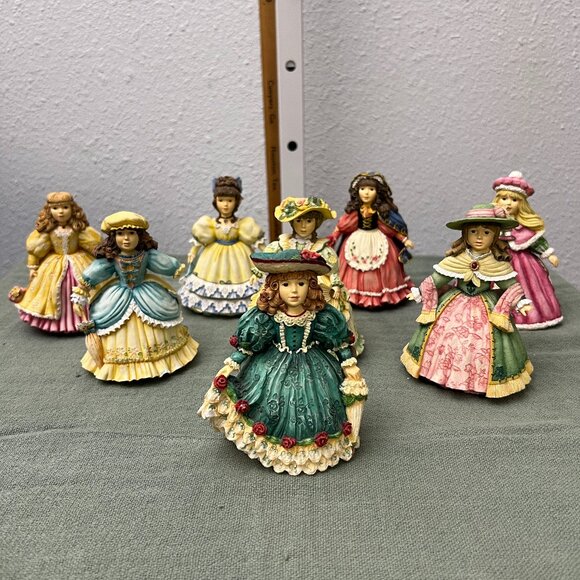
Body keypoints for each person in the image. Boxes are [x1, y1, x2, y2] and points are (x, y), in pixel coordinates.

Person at [198, 249, 368, 475]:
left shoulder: (321, 315)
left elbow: (339, 344)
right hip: (272, 366)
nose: (294, 291)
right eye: (286, 285)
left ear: (311, 286)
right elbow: (248, 345)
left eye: (301, 283)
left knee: (319, 406)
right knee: (268, 403)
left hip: (314, 367)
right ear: (274, 288)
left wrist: (349, 366)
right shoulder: (267, 316)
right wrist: (231, 365)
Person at [401, 204, 533, 398]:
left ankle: (480, 379)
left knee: (485, 344)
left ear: (495, 235)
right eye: (473, 232)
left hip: (485, 306)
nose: (479, 237)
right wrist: (420, 291)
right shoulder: (457, 258)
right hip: (455, 304)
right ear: (465, 234)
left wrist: (520, 302)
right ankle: (440, 371)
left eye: (486, 232)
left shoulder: (497, 263)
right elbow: (438, 279)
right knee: (447, 338)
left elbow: (510, 285)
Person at [72, 211, 198, 382]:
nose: (126, 239)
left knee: (164, 309)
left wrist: (181, 271)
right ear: (113, 237)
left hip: (147, 294)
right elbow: (94, 274)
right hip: (117, 297)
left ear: (140, 236)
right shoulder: (111, 258)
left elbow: (165, 264)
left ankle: (160, 357)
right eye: (120, 234)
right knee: (104, 315)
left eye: (131, 233)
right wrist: (80, 294)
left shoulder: (147, 255)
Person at [255, 196, 363, 354]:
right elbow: (268, 261)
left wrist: (335, 284)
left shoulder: (322, 248)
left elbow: (332, 269)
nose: (303, 226)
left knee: (329, 306)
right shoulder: (281, 245)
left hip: (315, 283)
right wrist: (258, 273)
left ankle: (326, 345)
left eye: (309, 221)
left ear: (316, 222)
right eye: (298, 221)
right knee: (266, 302)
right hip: (286, 282)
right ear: (292, 222)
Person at [10, 192, 101, 332]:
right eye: (55, 208)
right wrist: (33, 267)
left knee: (85, 286)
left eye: (65, 207)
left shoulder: (78, 228)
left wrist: (100, 260)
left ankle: (84, 317)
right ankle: (59, 322)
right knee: (51, 291)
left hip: (79, 261)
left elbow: (91, 245)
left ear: (73, 209)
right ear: (49, 211)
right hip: (53, 265)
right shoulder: (47, 231)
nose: (60, 212)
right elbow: (35, 250)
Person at [179, 176, 264, 316]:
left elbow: (256, 240)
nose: (225, 205)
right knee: (209, 276)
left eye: (230, 201)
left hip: (239, 257)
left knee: (244, 275)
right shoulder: (210, 223)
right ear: (215, 201)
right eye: (221, 200)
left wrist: (267, 252)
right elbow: (200, 240)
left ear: (236, 202)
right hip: (213, 257)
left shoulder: (242, 223)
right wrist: (193, 251)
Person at [328, 172, 414, 308]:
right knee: (352, 268)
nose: (366, 193)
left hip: (378, 241)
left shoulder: (381, 212)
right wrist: (333, 237)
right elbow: (342, 226)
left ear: (377, 192)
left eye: (371, 189)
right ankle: (353, 294)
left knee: (384, 267)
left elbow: (392, 228)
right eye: (363, 189)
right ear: (357, 192)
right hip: (356, 241)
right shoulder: (355, 211)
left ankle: (382, 294)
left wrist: (404, 240)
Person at [492, 170, 562, 329]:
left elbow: (536, 241)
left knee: (529, 285)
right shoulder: (492, 223)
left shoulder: (523, 226)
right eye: (504, 198)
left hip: (523, 263)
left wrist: (549, 254)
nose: (508, 203)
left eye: (514, 200)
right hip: (496, 260)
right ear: (497, 200)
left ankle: (531, 315)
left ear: (521, 203)